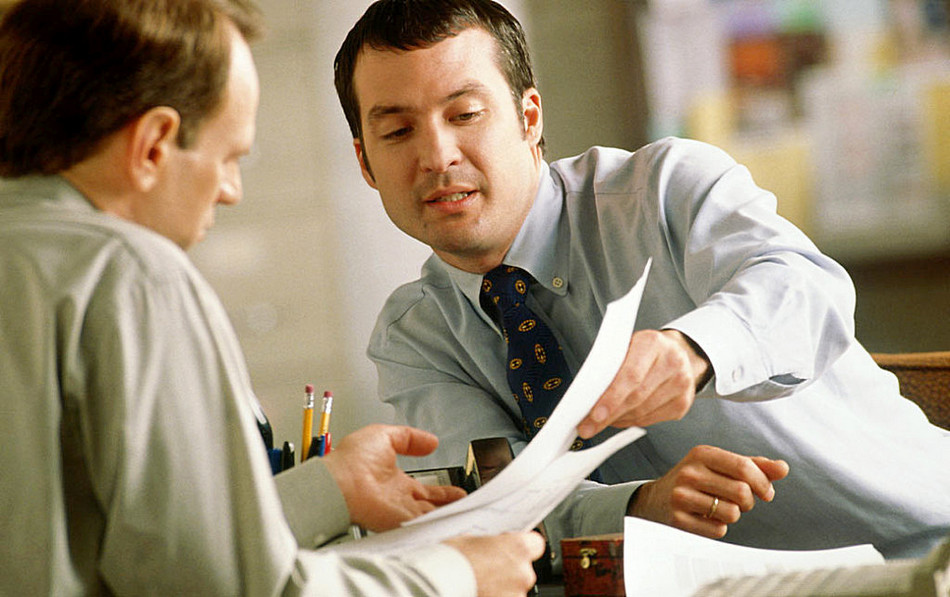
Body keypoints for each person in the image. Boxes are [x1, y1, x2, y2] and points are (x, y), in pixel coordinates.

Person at [333, 0, 950, 568]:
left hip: (918, 553)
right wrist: (635, 506)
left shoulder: (665, 189)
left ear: (528, 118)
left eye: (465, 115)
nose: (437, 156)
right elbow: (490, 505)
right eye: (398, 131)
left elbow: (809, 291)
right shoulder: (415, 337)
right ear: (366, 162)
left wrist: (695, 349)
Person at [0, 1, 544, 595]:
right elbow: (226, 587)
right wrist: (457, 576)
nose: (231, 190)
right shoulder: (131, 274)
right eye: (228, 157)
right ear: (153, 144)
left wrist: (326, 489)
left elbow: (131, 541)